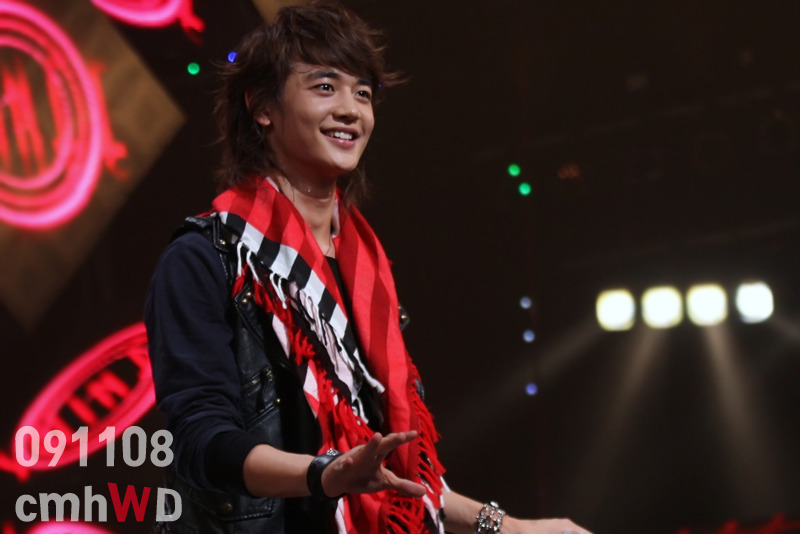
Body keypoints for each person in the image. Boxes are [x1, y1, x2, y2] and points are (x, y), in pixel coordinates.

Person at [145, 2, 593, 533]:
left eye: (363, 93)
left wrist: (511, 527)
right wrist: (323, 475)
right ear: (262, 106)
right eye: (324, 87)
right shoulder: (206, 257)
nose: (350, 110)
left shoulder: (367, 266)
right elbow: (200, 443)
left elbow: (398, 480)